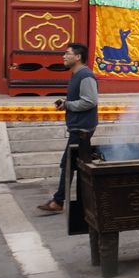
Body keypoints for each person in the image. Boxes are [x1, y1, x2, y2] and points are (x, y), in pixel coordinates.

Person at [38, 42, 98, 214]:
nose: (63, 56)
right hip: (78, 127)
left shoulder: (85, 75)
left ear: (78, 57)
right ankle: (81, 200)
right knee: (75, 164)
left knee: (69, 163)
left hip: (82, 129)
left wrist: (68, 105)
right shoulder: (76, 74)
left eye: (67, 53)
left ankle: (59, 201)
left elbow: (90, 101)